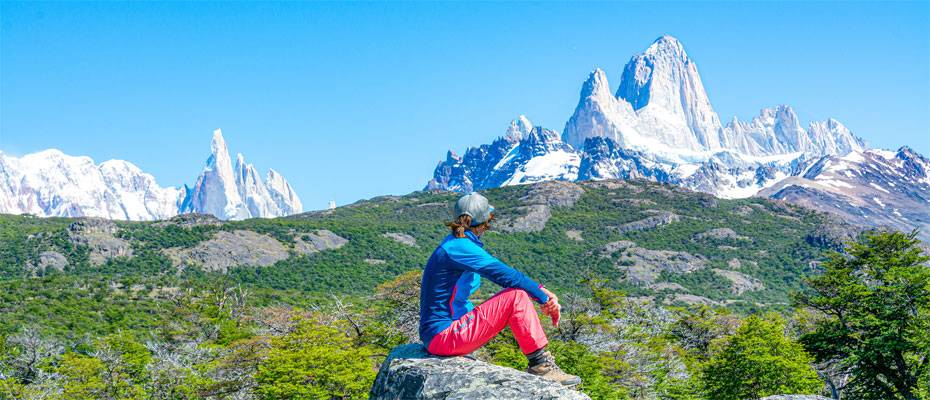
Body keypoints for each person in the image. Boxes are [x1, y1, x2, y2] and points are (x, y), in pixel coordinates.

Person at [418, 192, 581, 386]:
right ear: (485, 221)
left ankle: (540, 364)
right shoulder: (460, 247)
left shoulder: (455, 243)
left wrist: (540, 292)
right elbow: (507, 276)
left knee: (513, 296)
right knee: (516, 297)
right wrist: (543, 296)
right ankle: (540, 365)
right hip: (444, 337)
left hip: (438, 335)